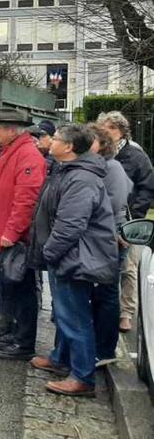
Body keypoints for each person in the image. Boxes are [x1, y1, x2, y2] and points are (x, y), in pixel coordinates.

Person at [29, 125, 118, 397]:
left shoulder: (81, 178)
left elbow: (70, 225)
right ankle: (61, 358)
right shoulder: (66, 169)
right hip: (67, 256)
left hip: (73, 257)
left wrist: (50, 253)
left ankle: (82, 377)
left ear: (69, 148)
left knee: (75, 317)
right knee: (65, 314)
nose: (50, 141)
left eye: (56, 139)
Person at [0, 108, 46, 360]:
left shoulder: (26, 155)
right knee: (12, 287)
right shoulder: (12, 151)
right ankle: (15, 334)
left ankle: (23, 342)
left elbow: (26, 200)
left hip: (16, 238)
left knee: (22, 289)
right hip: (6, 234)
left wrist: (11, 232)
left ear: (11, 130)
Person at [98, 111, 154, 333]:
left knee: (128, 267)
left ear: (121, 131)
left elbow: (147, 186)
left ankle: (126, 312)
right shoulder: (100, 154)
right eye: (104, 127)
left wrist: (135, 214)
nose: (107, 131)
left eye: (111, 127)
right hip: (105, 219)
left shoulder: (135, 155)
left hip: (128, 219)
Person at [87, 123, 133, 365]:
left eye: (91, 139)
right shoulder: (94, 166)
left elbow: (113, 204)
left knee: (106, 293)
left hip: (109, 238)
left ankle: (105, 348)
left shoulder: (112, 167)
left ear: (102, 144)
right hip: (97, 237)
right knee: (97, 293)